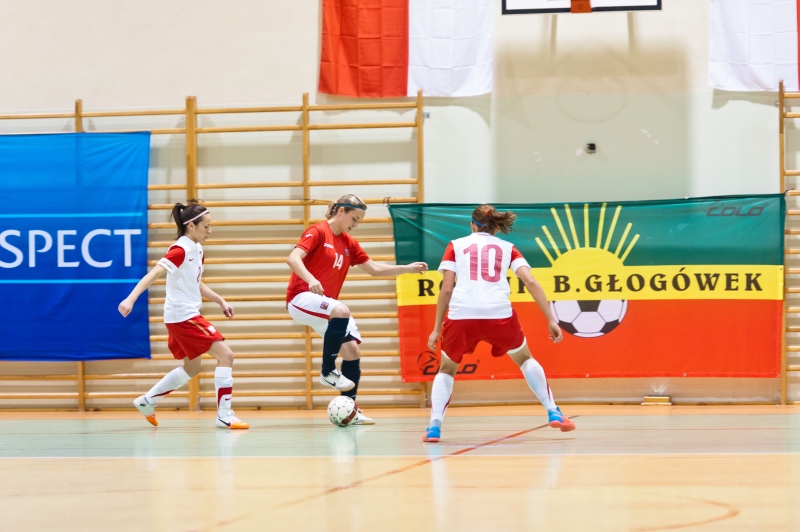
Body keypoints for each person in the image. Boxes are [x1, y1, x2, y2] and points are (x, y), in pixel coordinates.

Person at [423, 204, 575, 442]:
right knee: (525, 359)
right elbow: (531, 282)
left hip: (461, 315)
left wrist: (435, 329)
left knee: (447, 370)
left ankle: (434, 427)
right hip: (498, 315)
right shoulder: (508, 248)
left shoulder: (455, 245)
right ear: (496, 227)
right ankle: (553, 410)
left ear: (472, 224)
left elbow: (446, 290)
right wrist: (551, 319)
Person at [286, 194, 428, 425]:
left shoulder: (348, 242)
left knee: (352, 350)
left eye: (359, 220)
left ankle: (350, 410)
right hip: (301, 298)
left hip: (325, 306)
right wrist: (311, 279)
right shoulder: (318, 231)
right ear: (340, 212)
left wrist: (407, 269)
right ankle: (327, 371)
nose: (356, 224)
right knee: (342, 311)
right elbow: (293, 258)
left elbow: (373, 269)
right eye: (354, 218)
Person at [119, 202, 249, 430]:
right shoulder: (180, 249)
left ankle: (147, 401)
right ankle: (224, 415)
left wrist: (220, 300)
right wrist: (131, 298)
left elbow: (195, 282)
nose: (210, 231)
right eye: (206, 227)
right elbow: (153, 274)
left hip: (180, 315)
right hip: (183, 316)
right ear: (191, 226)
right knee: (226, 356)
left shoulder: (197, 248)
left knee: (192, 368)